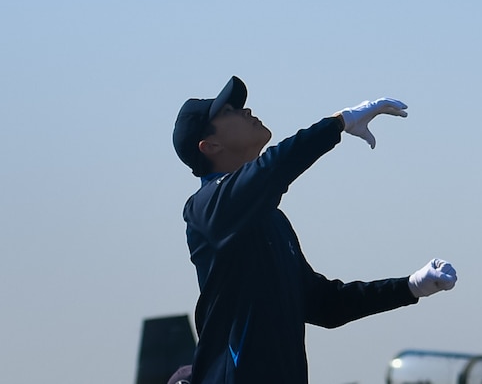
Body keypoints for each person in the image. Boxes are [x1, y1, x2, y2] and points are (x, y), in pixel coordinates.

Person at [172, 77, 458, 384]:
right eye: (229, 111)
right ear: (211, 145)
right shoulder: (205, 207)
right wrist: (337, 124)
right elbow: (271, 170)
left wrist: (411, 287)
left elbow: (324, 304)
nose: (247, 110)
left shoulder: (271, 220)